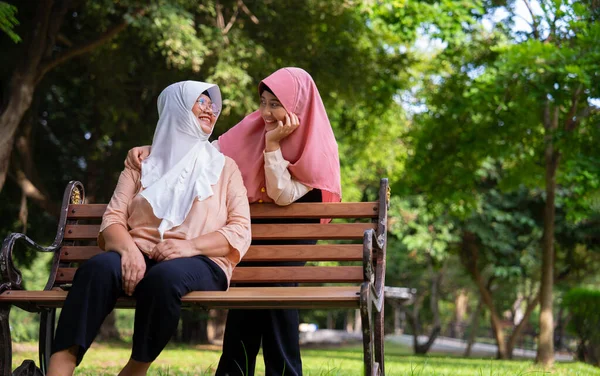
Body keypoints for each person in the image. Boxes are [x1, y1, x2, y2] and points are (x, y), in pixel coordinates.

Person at [126, 67, 341, 376]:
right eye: (263, 102)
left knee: (275, 285)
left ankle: (274, 371)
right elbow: (198, 152)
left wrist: (272, 146)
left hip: (291, 240)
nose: (266, 112)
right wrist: (155, 149)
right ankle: (236, 371)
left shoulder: (315, 144)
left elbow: (282, 195)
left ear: (297, 105)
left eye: (275, 104)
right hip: (251, 237)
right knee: (250, 286)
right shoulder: (251, 128)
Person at [47, 81, 252, 376]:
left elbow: (240, 230)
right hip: (140, 253)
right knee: (96, 270)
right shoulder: (141, 164)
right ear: (177, 108)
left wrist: (190, 247)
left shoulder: (224, 167)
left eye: (213, 104)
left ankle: (134, 370)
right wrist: (129, 250)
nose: (211, 109)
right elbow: (113, 220)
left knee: (164, 278)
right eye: (201, 102)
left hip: (202, 260)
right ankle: (59, 367)